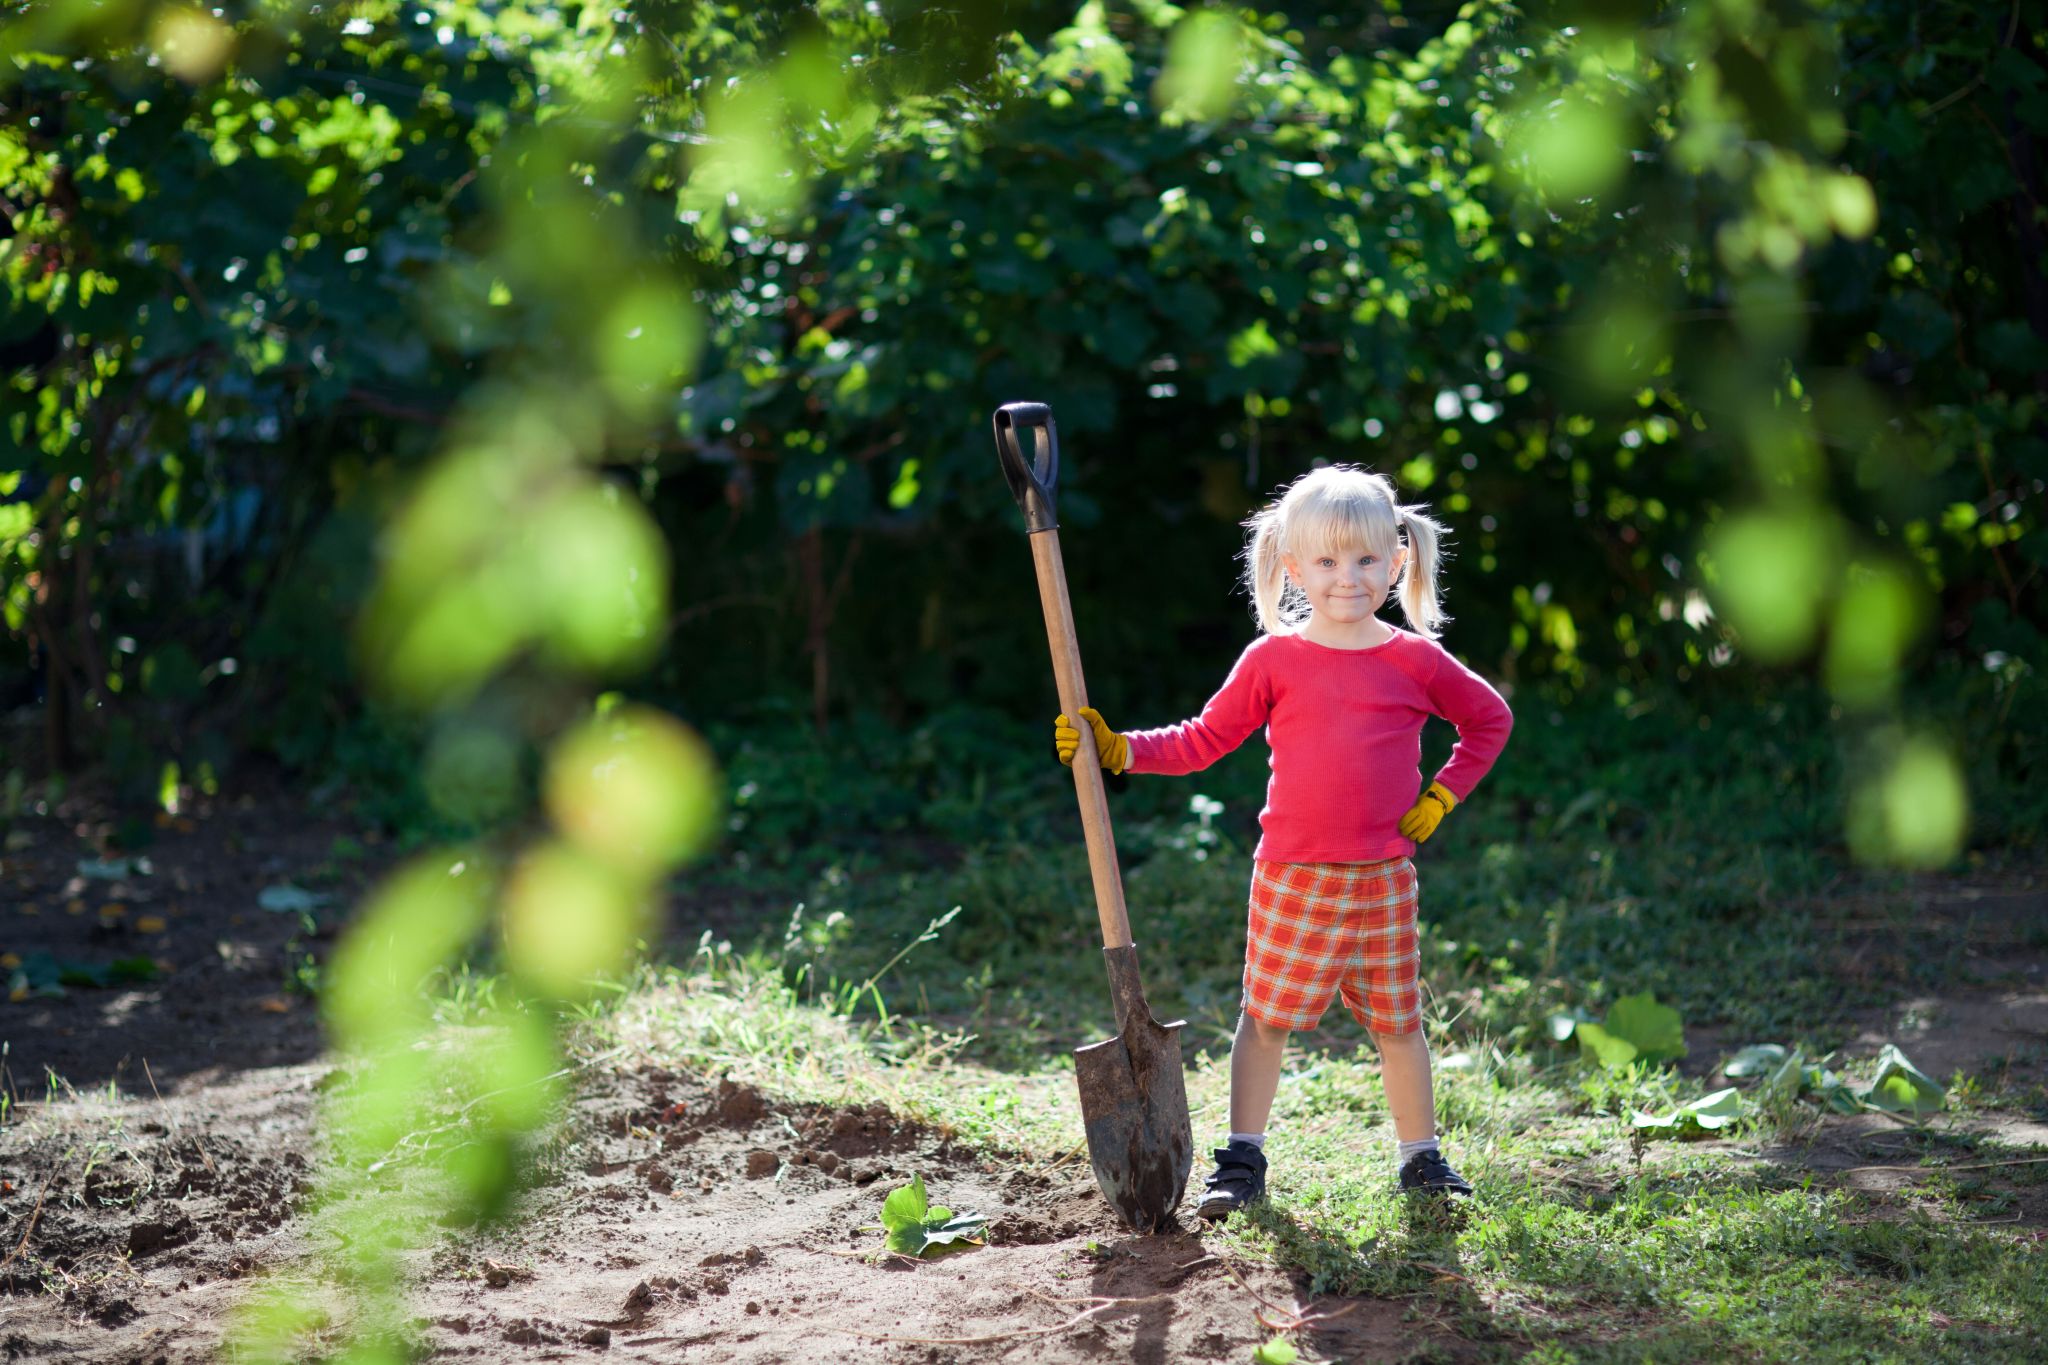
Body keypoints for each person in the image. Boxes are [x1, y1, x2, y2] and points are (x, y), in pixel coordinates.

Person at [1054, 464, 1511, 1218]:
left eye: (1366, 559)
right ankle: (1242, 1158)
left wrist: (1443, 793)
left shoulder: (1415, 659)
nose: (1348, 577)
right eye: (1327, 562)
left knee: (1400, 1025)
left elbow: (1490, 719)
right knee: (1265, 1020)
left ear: (1396, 560)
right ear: (1294, 566)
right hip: (1294, 877)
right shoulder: (1273, 659)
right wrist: (1119, 748)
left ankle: (1422, 1158)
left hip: (1383, 879)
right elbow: (1204, 738)